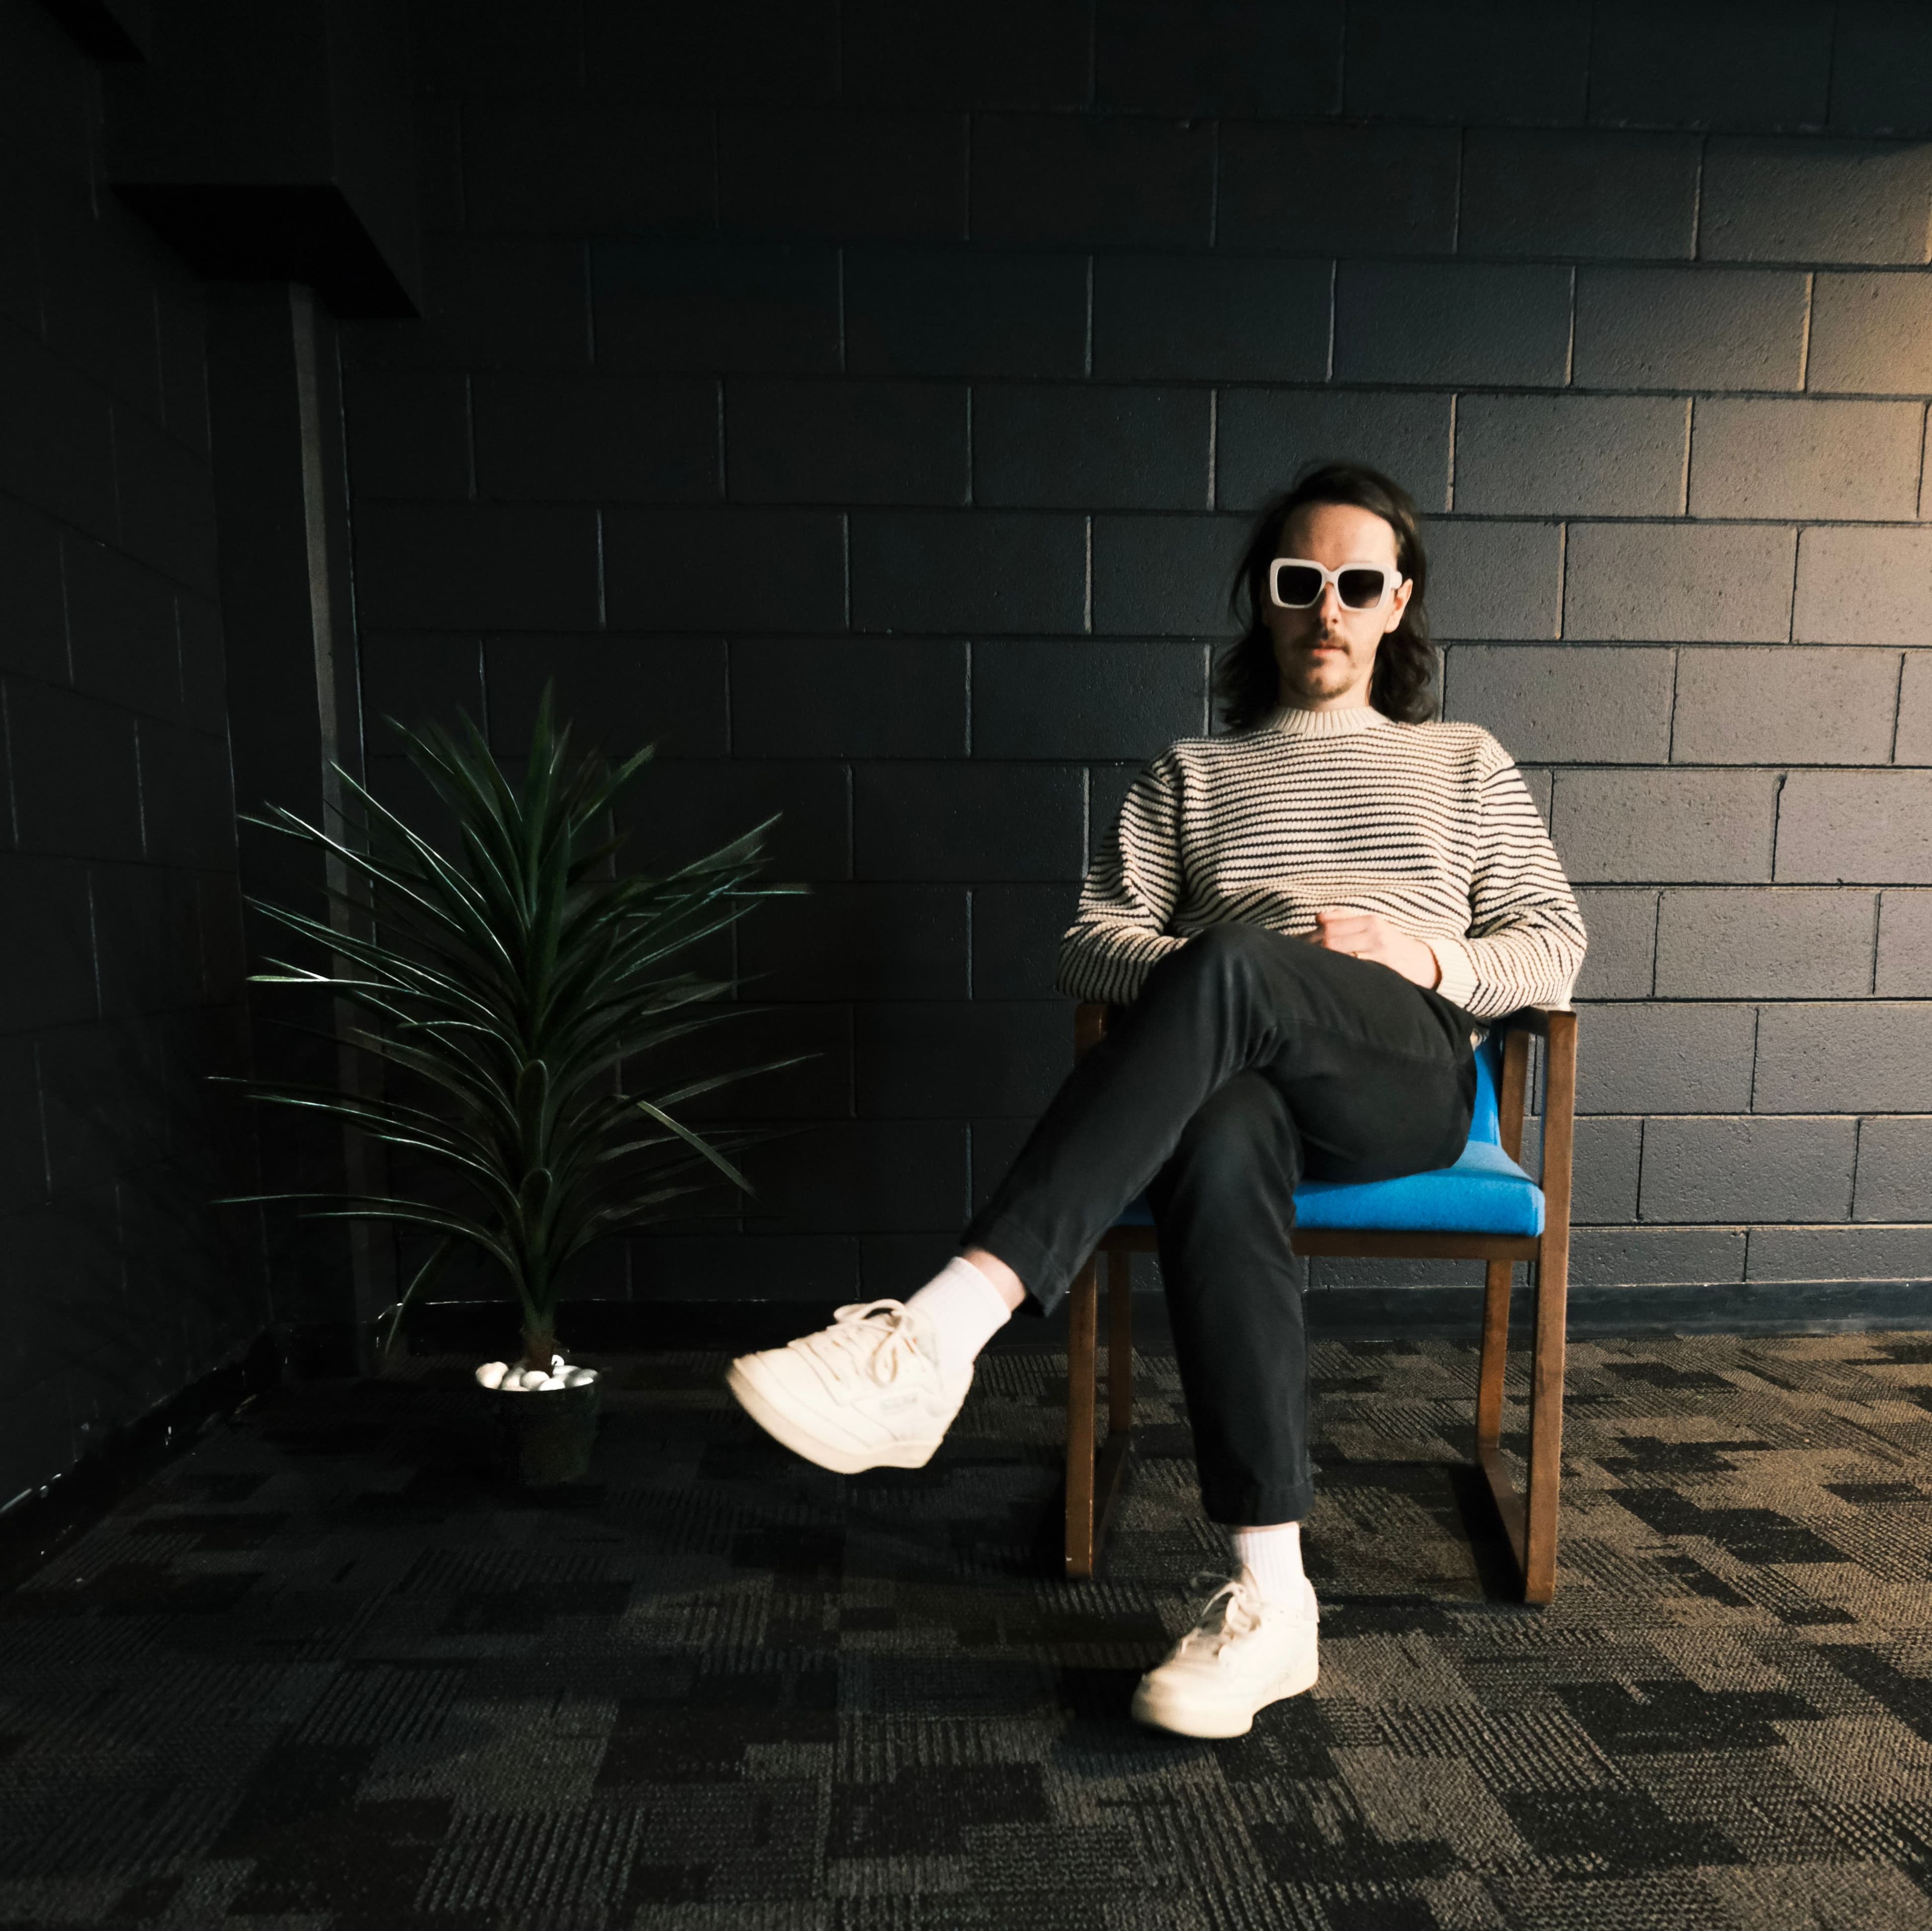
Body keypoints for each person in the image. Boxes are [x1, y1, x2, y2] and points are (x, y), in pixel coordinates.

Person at [726, 462, 1587, 1739]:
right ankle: (1273, 1599)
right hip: (1238, 1073)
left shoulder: (1461, 762)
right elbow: (1091, 943)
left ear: (1398, 603)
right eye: (1302, 581)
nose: (1329, 609)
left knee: (1234, 971)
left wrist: (1420, 956)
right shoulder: (1191, 772)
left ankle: (943, 1332)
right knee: (1222, 1125)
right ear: (1264, 598)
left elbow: (1554, 945)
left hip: (1397, 1071)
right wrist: (1219, 976)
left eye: (1359, 585)